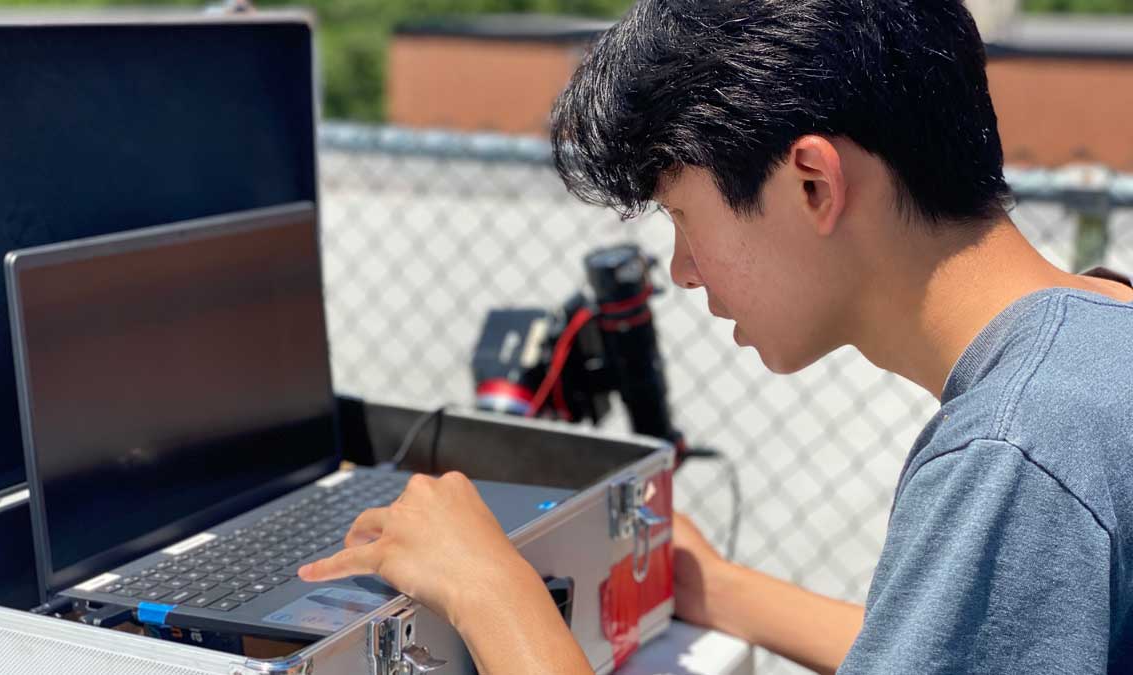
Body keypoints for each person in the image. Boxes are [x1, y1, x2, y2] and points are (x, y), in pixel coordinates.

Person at [300, 0, 1133, 672]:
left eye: (683, 217)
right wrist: (723, 590)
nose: (682, 269)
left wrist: (489, 589)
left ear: (813, 183)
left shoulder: (1017, 450)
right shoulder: (1097, 345)